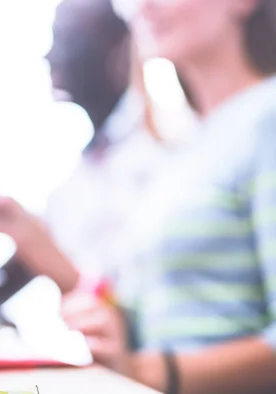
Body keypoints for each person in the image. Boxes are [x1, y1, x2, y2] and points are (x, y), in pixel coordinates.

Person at [62, 1, 276, 393]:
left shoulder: (268, 119)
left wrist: (148, 372)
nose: (144, 6)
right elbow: (162, 322)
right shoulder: (191, 145)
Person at [0, 0, 185, 305]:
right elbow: (11, 278)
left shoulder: (158, 157)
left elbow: (131, 310)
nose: (49, 56)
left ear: (115, 51)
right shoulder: (87, 166)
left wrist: (37, 246)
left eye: (66, 40)